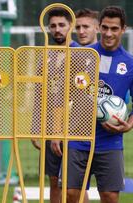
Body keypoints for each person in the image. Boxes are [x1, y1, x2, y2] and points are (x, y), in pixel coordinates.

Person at [51, 6, 133, 203]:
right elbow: (60, 95)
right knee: (71, 193)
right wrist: (55, 131)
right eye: (104, 28)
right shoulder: (80, 56)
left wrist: (129, 124)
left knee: (110, 196)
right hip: (77, 136)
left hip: (110, 139)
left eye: (114, 29)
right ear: (98, 28)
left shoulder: (129, 63)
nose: (108, 33)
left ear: (123, 29)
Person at [30, 7, 79, 203]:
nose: (57, 29)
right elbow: (39, 95)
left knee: (74, 185)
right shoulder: (46, 56)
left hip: (76, 128)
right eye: (53, 26)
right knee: (53, 181)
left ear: (70, 26)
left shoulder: (82, 54)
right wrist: (35, 127)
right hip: (50, 130)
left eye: (61, 25)